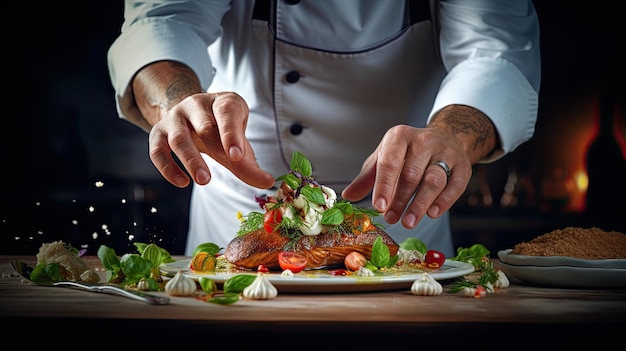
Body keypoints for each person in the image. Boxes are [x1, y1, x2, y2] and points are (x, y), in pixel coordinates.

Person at [107, 0, 541, 257]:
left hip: (401, 217)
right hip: (238, 210)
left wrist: (451, 136)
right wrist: (177, 100)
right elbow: (162, 20)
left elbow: (496, 51)